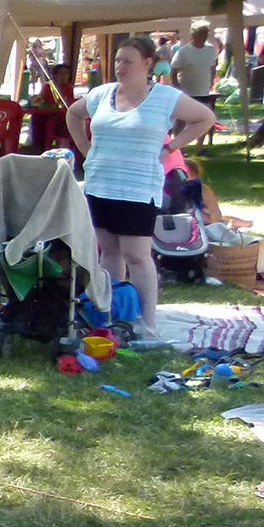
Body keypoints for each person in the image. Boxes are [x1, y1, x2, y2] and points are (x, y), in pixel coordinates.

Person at [65, 35, 217, 338]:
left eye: (128, 61)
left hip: (138, 186)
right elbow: (73, 113)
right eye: (118, 61)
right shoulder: (102, 94)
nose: (120, 66)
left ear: (148, 64)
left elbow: (205, 117)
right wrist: (85, 148)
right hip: (101, 183)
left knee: (136, 254)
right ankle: (110, 313)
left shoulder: (165, 97)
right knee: (108, 252)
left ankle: (148, 323)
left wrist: (170, 147)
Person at [170, 23, 223, 150]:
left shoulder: (210, 50)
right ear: (193, 35)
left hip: (203, 90)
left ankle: (199, 148)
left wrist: (211, 81)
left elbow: (212, 66)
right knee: (181, 120)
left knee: (206, 118)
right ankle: (178, 148)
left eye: (205, 34)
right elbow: (174, 70)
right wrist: (177, 87)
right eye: (201, 34)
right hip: (187, 91)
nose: (203, 37)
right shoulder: (183, 51)